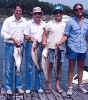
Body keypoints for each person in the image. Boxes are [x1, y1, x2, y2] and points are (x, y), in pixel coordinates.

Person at [55, 3, 88, 96]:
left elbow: (87, 36)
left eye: (80, 9)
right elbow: (66, 35)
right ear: (74, 11)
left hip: (83, 48)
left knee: (81, 68)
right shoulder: (70, 22)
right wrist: (60, 42)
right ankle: (70, 87)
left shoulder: (87, 22)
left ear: (83, 9)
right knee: (71, 68)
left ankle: (80, 85)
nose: (79, 11)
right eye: (77, 9)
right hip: (72, 48)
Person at [1, 4, 27, 95]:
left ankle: (19, 87)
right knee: (9, 67)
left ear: (21, 11)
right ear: (14, 11)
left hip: (20, 47)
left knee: (19, 67)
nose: (18, 12)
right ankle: (8, 87)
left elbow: (26, 34)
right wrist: (13, 39)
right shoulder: (8, 20)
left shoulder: (24, 21)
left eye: (20, 11)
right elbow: (3, 33)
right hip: (10, 46)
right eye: (17, 10)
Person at [42, 5, 66, 93]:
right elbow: (44, 34)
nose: (58, 14)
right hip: (50, 49)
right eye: (56, 12)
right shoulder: (49, 23)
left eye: (60, 12)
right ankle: (48, 86)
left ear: (62, 14)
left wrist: (60, 42)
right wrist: (44, 41)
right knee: (49, 68)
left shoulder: (65, 24)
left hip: (61, 49)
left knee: (59, 68)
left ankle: (57, 85)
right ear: (54, 14)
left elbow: (66, 36)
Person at [24, 7, 46, 93]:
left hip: (40, 46)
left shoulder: (44, 24)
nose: (37, 15)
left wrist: (44, 42)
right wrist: (31, 38)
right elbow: (25, 36)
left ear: (41, 14)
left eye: (39, 13)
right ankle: (28, 87)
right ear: (33, 14)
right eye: (36, 13)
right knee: (29, 67)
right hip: (30, 46)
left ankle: (38, 87)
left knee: (38, 67)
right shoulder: (28, 23)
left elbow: (45, 36)